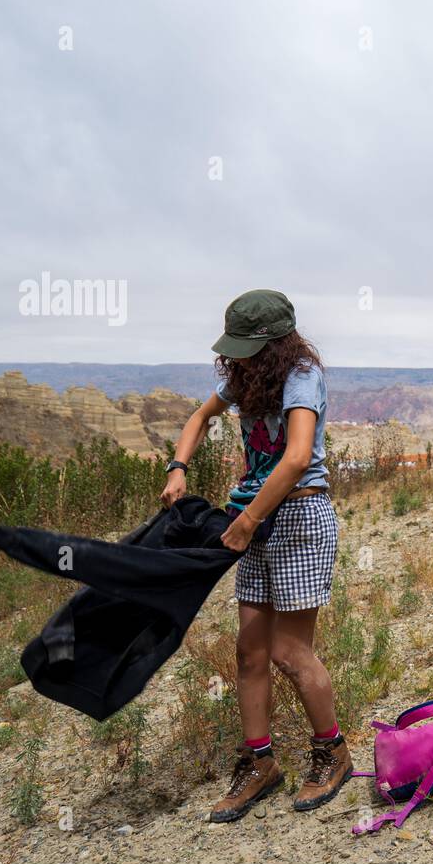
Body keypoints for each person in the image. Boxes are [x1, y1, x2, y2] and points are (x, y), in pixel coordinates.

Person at [161, 289, 350, 823]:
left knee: (290, 652)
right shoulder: (242, 379)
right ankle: (259, 763)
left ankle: (332, 753)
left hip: (296, 521)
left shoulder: (302, 377)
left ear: (274, 344)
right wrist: (177, 467)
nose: (238, 357)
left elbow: (294, 459)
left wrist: (246, 522)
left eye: (247, 348)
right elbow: (199, 418)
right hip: (255, 522)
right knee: (249, 651)